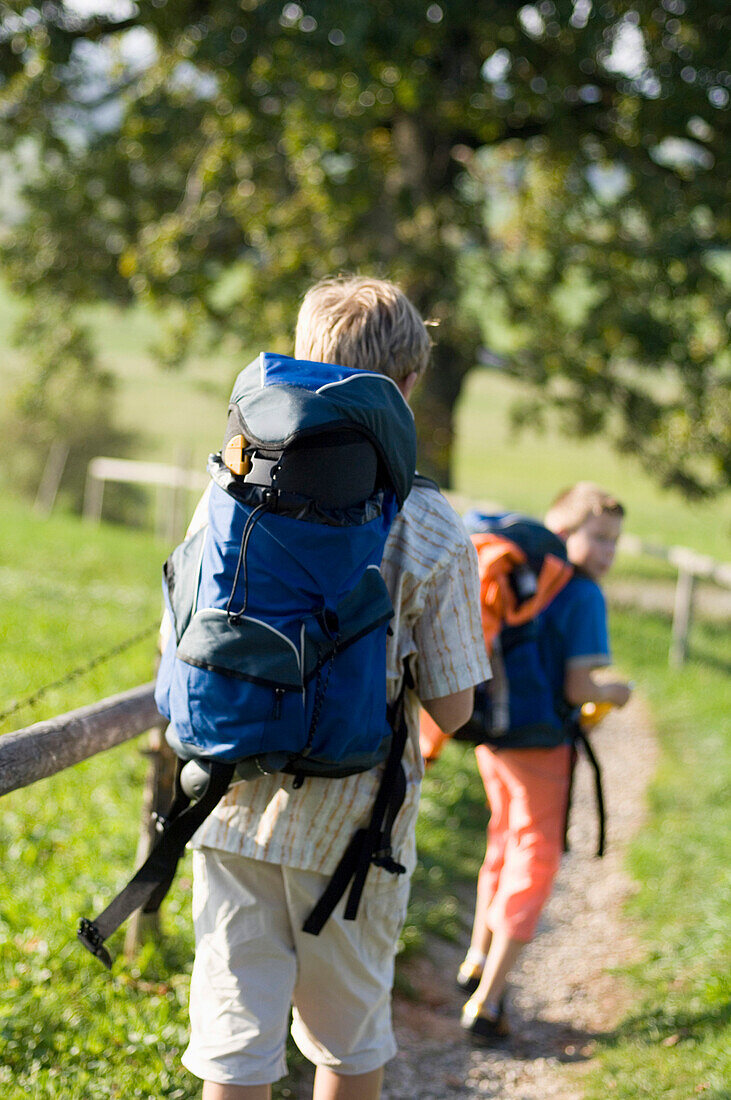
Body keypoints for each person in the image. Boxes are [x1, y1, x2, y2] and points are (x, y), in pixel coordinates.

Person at [177, 275, 491, 1099]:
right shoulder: (424, 520)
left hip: (228, 805)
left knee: (234, 1049)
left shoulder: (232, 485)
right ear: (410, 386)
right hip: (352, 834)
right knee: (346, 1047)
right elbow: (456, 713)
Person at [458, 481, 632, 1042]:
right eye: (599, 538)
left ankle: (476, 956)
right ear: (563, 531)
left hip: (493, 732)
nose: (608, 552)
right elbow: (580, 684)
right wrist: (617, 692)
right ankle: (488, 1001)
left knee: (503, 840)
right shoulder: (582, 596)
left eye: (614, 542)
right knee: (535, 857)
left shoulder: (522, 576)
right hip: (541, 744)